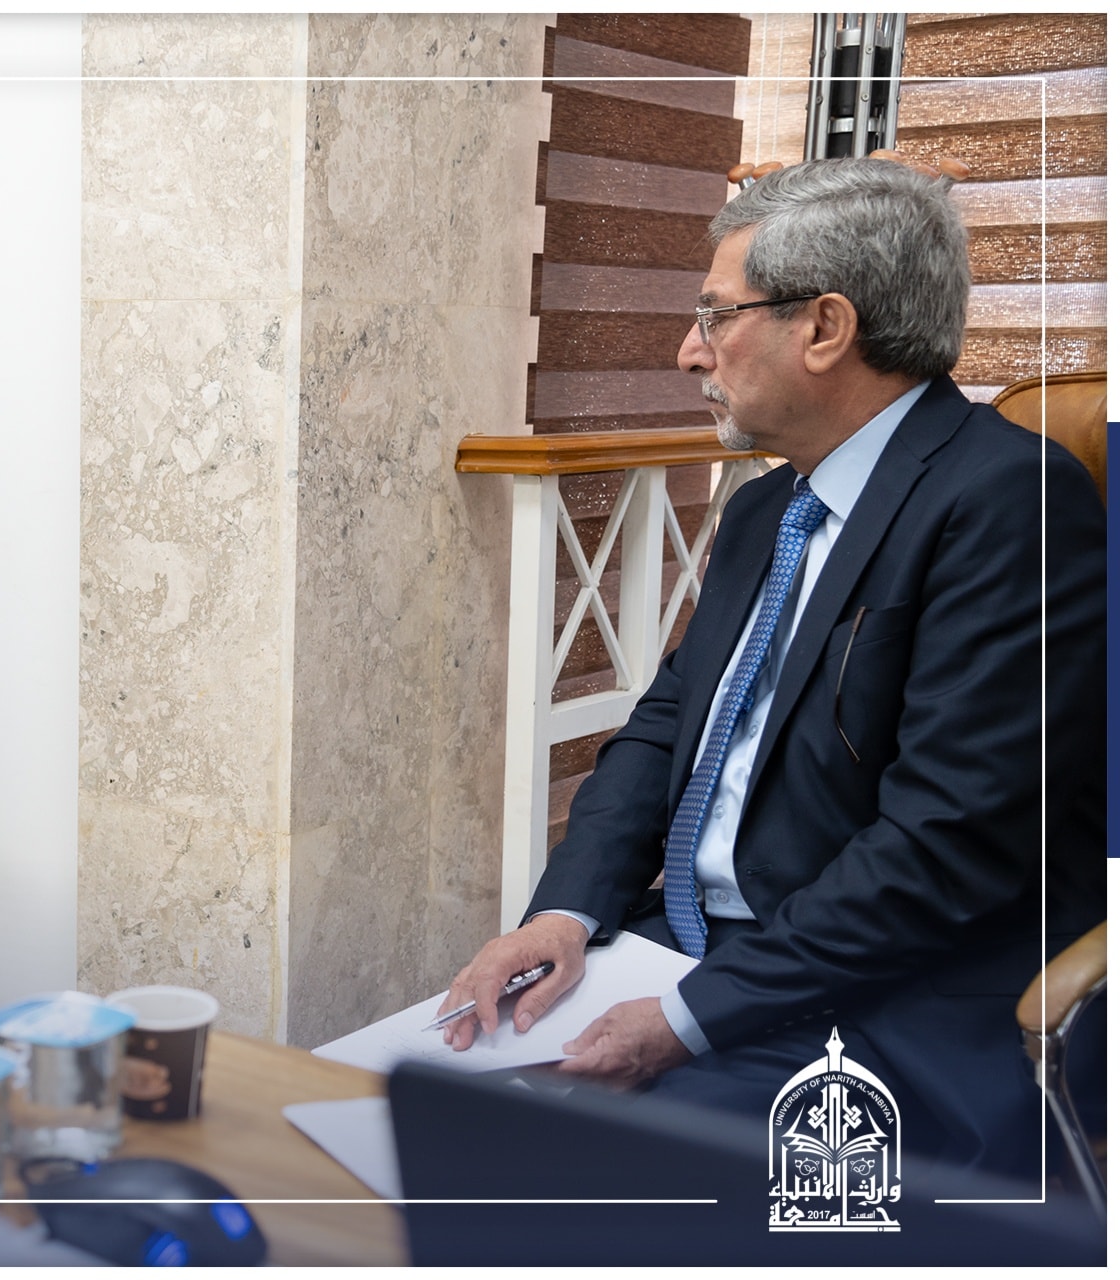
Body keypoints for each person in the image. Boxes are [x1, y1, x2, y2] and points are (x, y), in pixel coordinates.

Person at [437, 159, 1104, 1178]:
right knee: (428, 1110)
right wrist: (565, 913)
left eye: (716, 315)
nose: (687, 350)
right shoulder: (764, 509)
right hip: (690, 951)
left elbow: (943, 846)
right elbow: (667, 725)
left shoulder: (1012, 500)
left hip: (881, 1002)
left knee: (568, 1178)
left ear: (825, 328)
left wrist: (683, 1018)